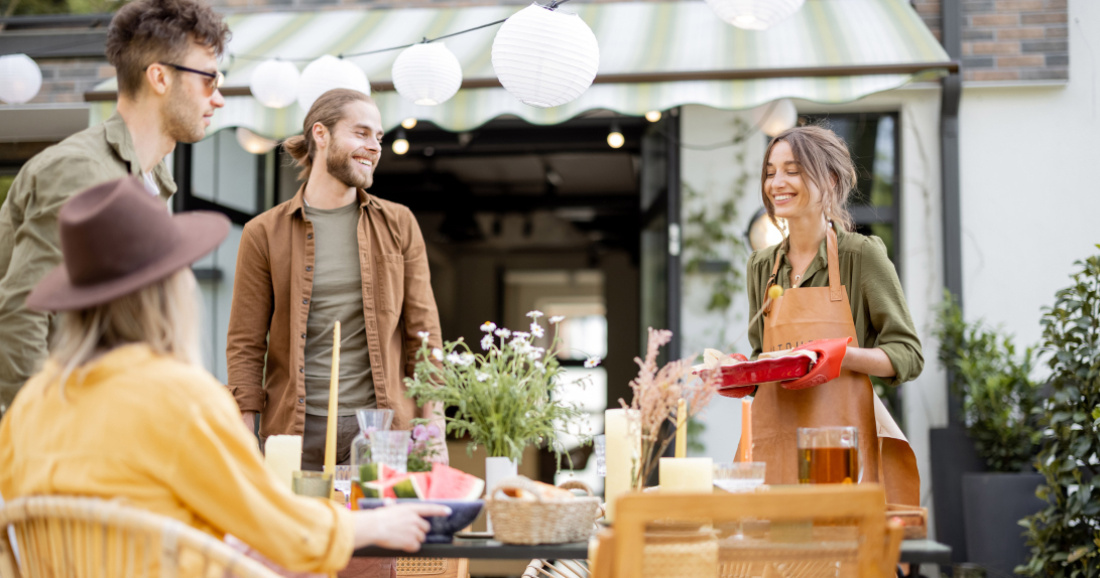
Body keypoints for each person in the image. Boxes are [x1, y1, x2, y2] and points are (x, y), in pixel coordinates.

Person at [0, 177, 449, 576]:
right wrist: (370, 523)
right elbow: (275, 526)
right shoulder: (178, 397)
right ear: (168, 291)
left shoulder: (32, 405)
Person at [0, 0, 229, 414]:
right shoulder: (80, 170)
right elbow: (22, 314)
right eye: (210, 80)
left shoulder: (153, 180)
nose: (220, 99)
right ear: (159, 77)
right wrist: (49, 432)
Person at [227, 88, 446, 471]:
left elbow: (424, 337)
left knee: (384, 532)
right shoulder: (263, 233)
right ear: (320, 134)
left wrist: (435, 430)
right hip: (296, 433)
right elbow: (246, 342)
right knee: (303, 532)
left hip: (384, 428)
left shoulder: (399, 224)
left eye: (378, 137)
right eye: (361, 133)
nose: (374, 146)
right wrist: (245, 430)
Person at [742, 125, 924, 506]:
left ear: (831, 179)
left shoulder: (861, 255)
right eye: (771, 172)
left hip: (840, 450)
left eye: (793, 170)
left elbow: (908, 354)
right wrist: (741, 376)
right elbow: (765, 364)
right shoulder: (761, 267)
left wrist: (840, 355)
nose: (777, 182)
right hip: (774, 442)